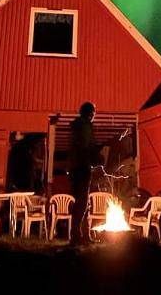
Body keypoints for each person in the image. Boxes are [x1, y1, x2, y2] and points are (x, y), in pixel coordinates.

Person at [68, 101, 100, 244]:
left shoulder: (76, 127)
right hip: (82, 167)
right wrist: (97, 157)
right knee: (82, 202)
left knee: (82, 202)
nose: (94, 116)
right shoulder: (85, 126)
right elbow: (87, 146)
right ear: (91, 113)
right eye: (93, 113)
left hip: (75, 168)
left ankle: (84, 235)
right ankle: (77, 236)